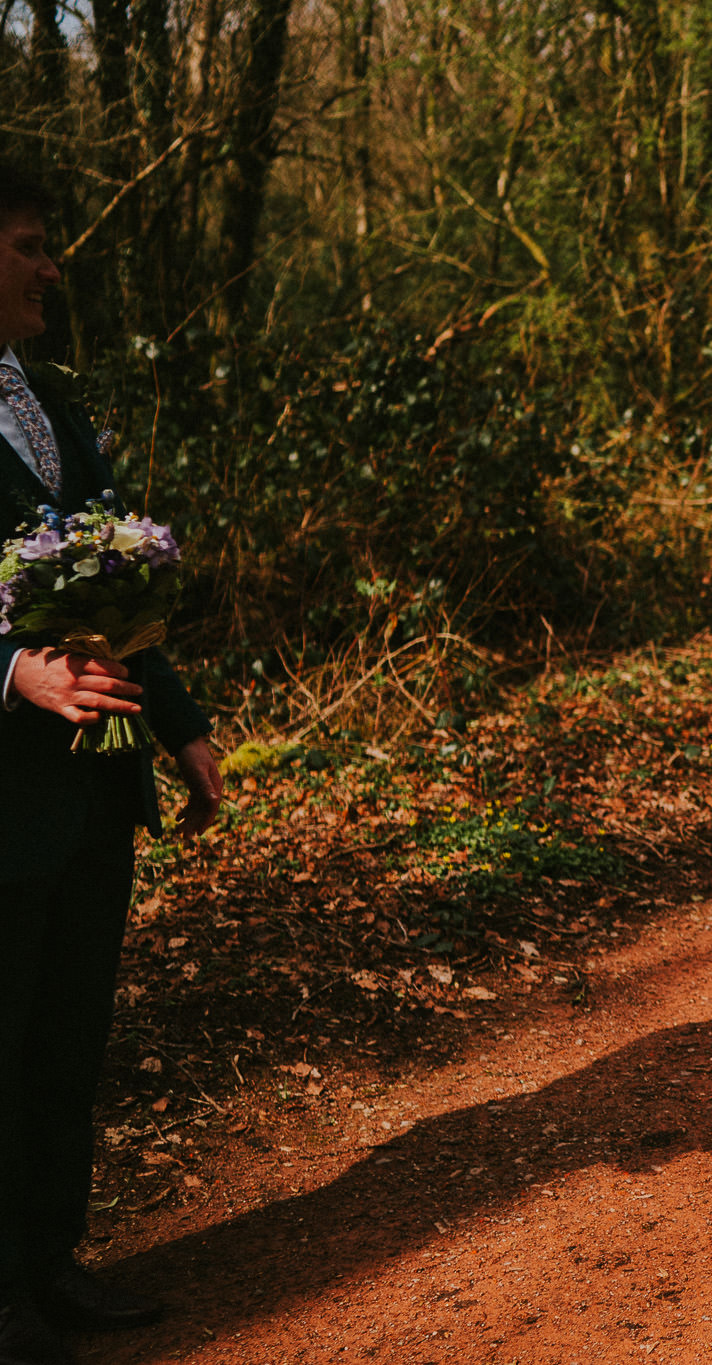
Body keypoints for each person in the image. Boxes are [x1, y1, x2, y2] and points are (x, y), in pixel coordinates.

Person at [0, 163, 222, 1365]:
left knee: (67, 1031)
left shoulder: (49, 392)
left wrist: (180, 726)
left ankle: (53, 1263)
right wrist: (9, 672)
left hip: (97, 777)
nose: (52, 267)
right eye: (31, 245)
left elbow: (119, 582)